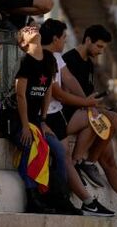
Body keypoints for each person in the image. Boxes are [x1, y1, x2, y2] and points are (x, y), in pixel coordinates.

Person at [40, 19, 117, 217]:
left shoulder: (75, 61)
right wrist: (87, 104)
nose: (100, 51)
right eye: (99, 46)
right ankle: (83, 162)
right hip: (65, 116)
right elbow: (60, 92)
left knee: (109, 157)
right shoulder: (65, 58)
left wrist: (91, 103)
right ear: (88, 40)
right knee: (110, 120)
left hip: (80, 112)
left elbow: (77, 87)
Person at [12, 25, 77, 215]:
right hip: (16, 117)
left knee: (58, 149)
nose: (32, 28)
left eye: (33, 27)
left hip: (35, 119)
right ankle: (32, 197)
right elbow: (20, 96)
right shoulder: (24, 61)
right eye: (26, 29)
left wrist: (43, 120)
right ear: (23, 43)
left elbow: (48, 90)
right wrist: (25, 126)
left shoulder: (49, 59)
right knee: (30, 145)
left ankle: (60, 198)